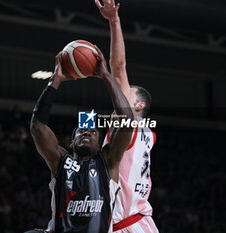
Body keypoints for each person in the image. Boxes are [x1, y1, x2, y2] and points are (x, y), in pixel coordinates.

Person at [26, 47, 134, 233]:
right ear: (70, 142)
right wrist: (55, 80)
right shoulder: (60, 161)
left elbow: (127, 122)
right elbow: (37, 127)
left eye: (93, 132)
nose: (86, 133)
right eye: (81, 130)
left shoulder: (108, 161)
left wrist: (106, 76)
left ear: (101, 144)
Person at [95, 0, 159, 232]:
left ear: (139, 105)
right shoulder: (149, 135)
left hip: (127, 224)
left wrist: (114, 21)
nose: (119, 99)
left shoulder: (128, 121)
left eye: (127, 94)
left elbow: (118, 67)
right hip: (141, 221)